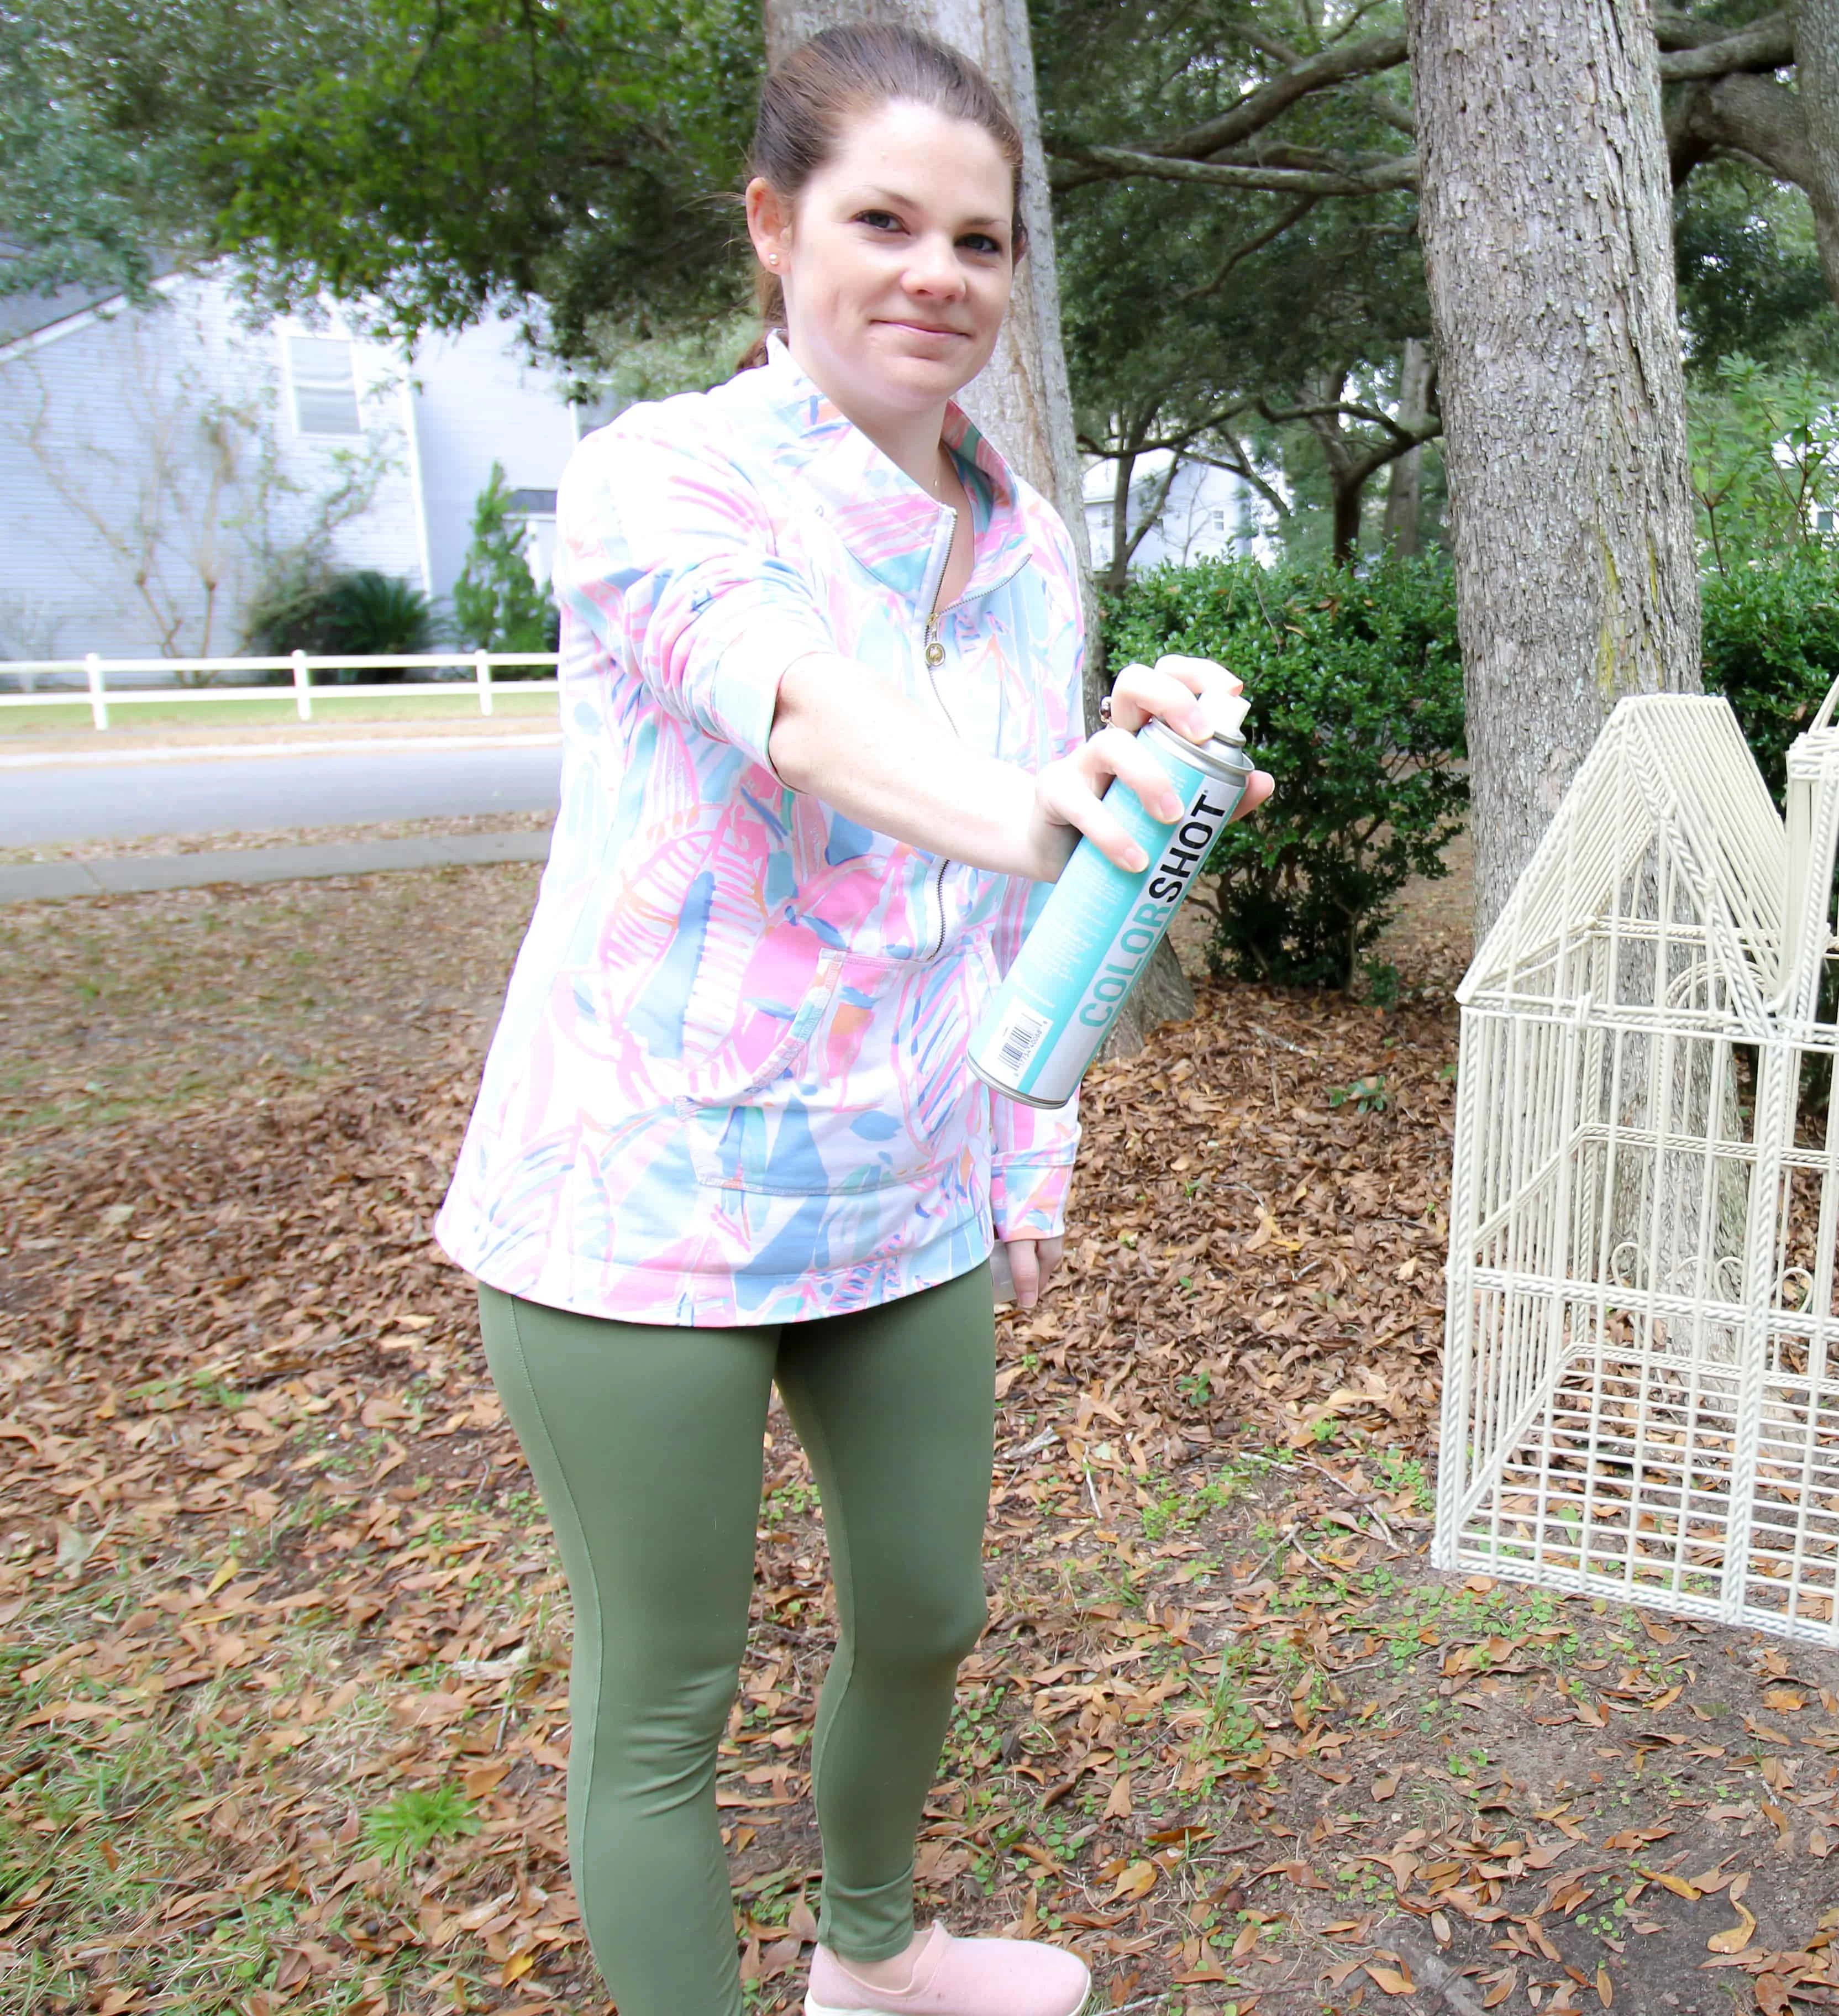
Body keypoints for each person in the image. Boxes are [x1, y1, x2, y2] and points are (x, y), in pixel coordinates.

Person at [433, 24, 1267, 2016]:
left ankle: (875, 1958)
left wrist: (1031, 1139)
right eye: (883, 221)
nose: (935, 276)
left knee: (924, 1610)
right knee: (668, 1698)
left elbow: (1028, 925)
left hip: (905, 1175)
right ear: (772, 229)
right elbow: (792, 702)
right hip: (645, 1197)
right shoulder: (663, 479)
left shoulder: (1025, 541)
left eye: (978, 242)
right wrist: (1037, 812)